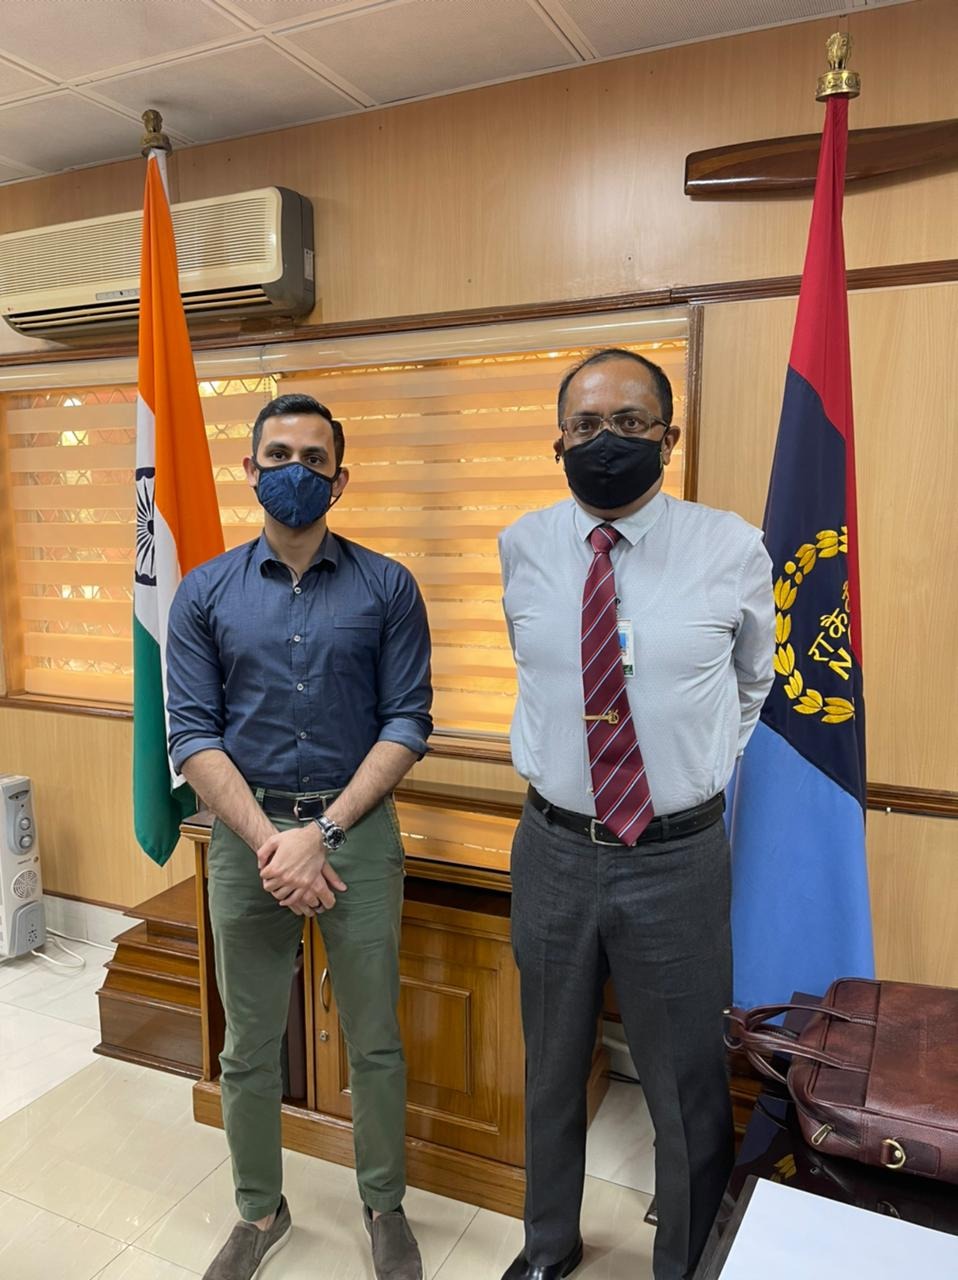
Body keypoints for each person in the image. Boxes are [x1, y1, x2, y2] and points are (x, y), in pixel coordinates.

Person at [498, 348, 775, 1280]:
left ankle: (683, 1265)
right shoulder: (522, 545)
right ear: (558, 439)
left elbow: (753, 684)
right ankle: (548, 1248)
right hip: (552, 849)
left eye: (628, 423)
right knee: (549, 1071)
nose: (605, 440)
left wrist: (693, 768)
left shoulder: (730, 547)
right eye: (586, 425)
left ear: (668, 436)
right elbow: (540, 678)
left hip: (675, 860)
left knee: (688, 1085)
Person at [166, 393, 432, 1280]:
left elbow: (407, 722)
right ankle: (259, 1210)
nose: (296, 470)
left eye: (314, 459)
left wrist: (320, 831)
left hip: (355, 832)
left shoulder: (387, 586)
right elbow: (192, 736)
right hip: (247, 839)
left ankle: (384, 1205)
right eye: (278, 454)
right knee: (246, 1045)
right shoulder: (204, 592)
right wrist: (273, 842)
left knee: (374, 1039)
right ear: (250, 469)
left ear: (339, 479)